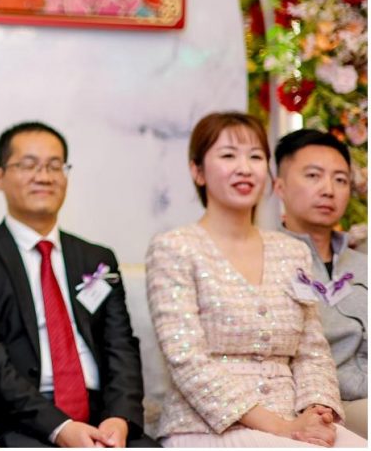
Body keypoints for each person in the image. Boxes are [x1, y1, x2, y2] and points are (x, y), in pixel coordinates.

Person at [146, 112, 366, 447]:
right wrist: (281, 427)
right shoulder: (174, 248)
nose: (244, 168)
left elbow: (312, 350)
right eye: (228, 156)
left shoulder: (291, 252)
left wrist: (317, 409)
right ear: (198, 171)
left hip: (295, 418)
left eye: (255, 157)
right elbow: (186, 359)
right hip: (208, 426)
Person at [0, 122, 152, 448]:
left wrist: (119, 418)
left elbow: (120, 346)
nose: (44, 176)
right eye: (28, 165)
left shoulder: (97, 258)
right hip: (24, 421)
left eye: (55, 166)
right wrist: (61, 428)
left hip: (102, 417)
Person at [275, 129, 367, 438]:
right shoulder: (265, 260)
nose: (328, 190)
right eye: (313, 176)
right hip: (320, 405)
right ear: (279, 186)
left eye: (340, 180)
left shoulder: (363, 264)